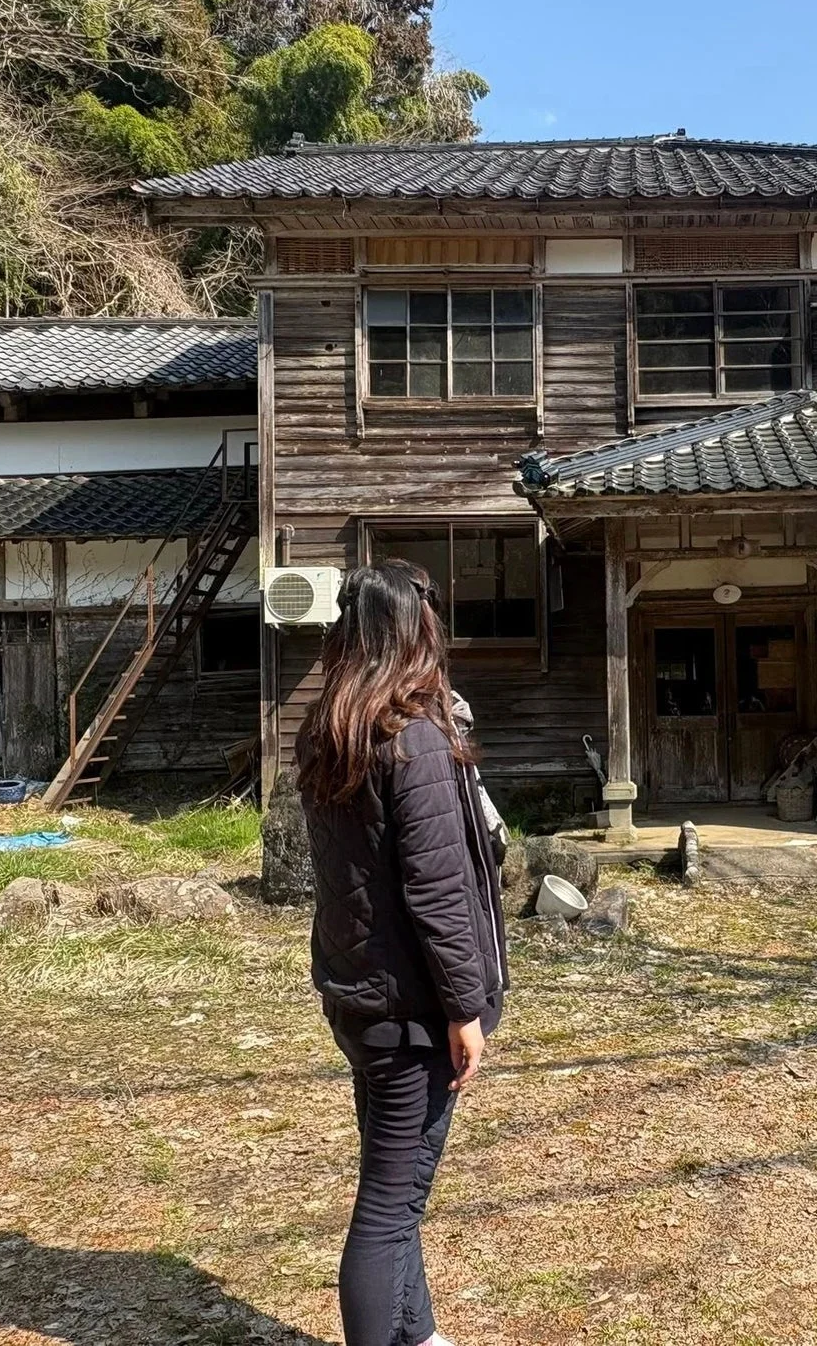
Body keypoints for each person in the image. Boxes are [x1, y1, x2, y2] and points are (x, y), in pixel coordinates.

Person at [297, 559, 509, 1346]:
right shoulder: (411, 740)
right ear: (413, 634)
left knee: (398, 1188)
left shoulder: (332, 731)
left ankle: (418, 1334)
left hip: (360, 994)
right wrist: (465, 1007)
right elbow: (437, 891)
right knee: (389, 1208)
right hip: (411, 1011)